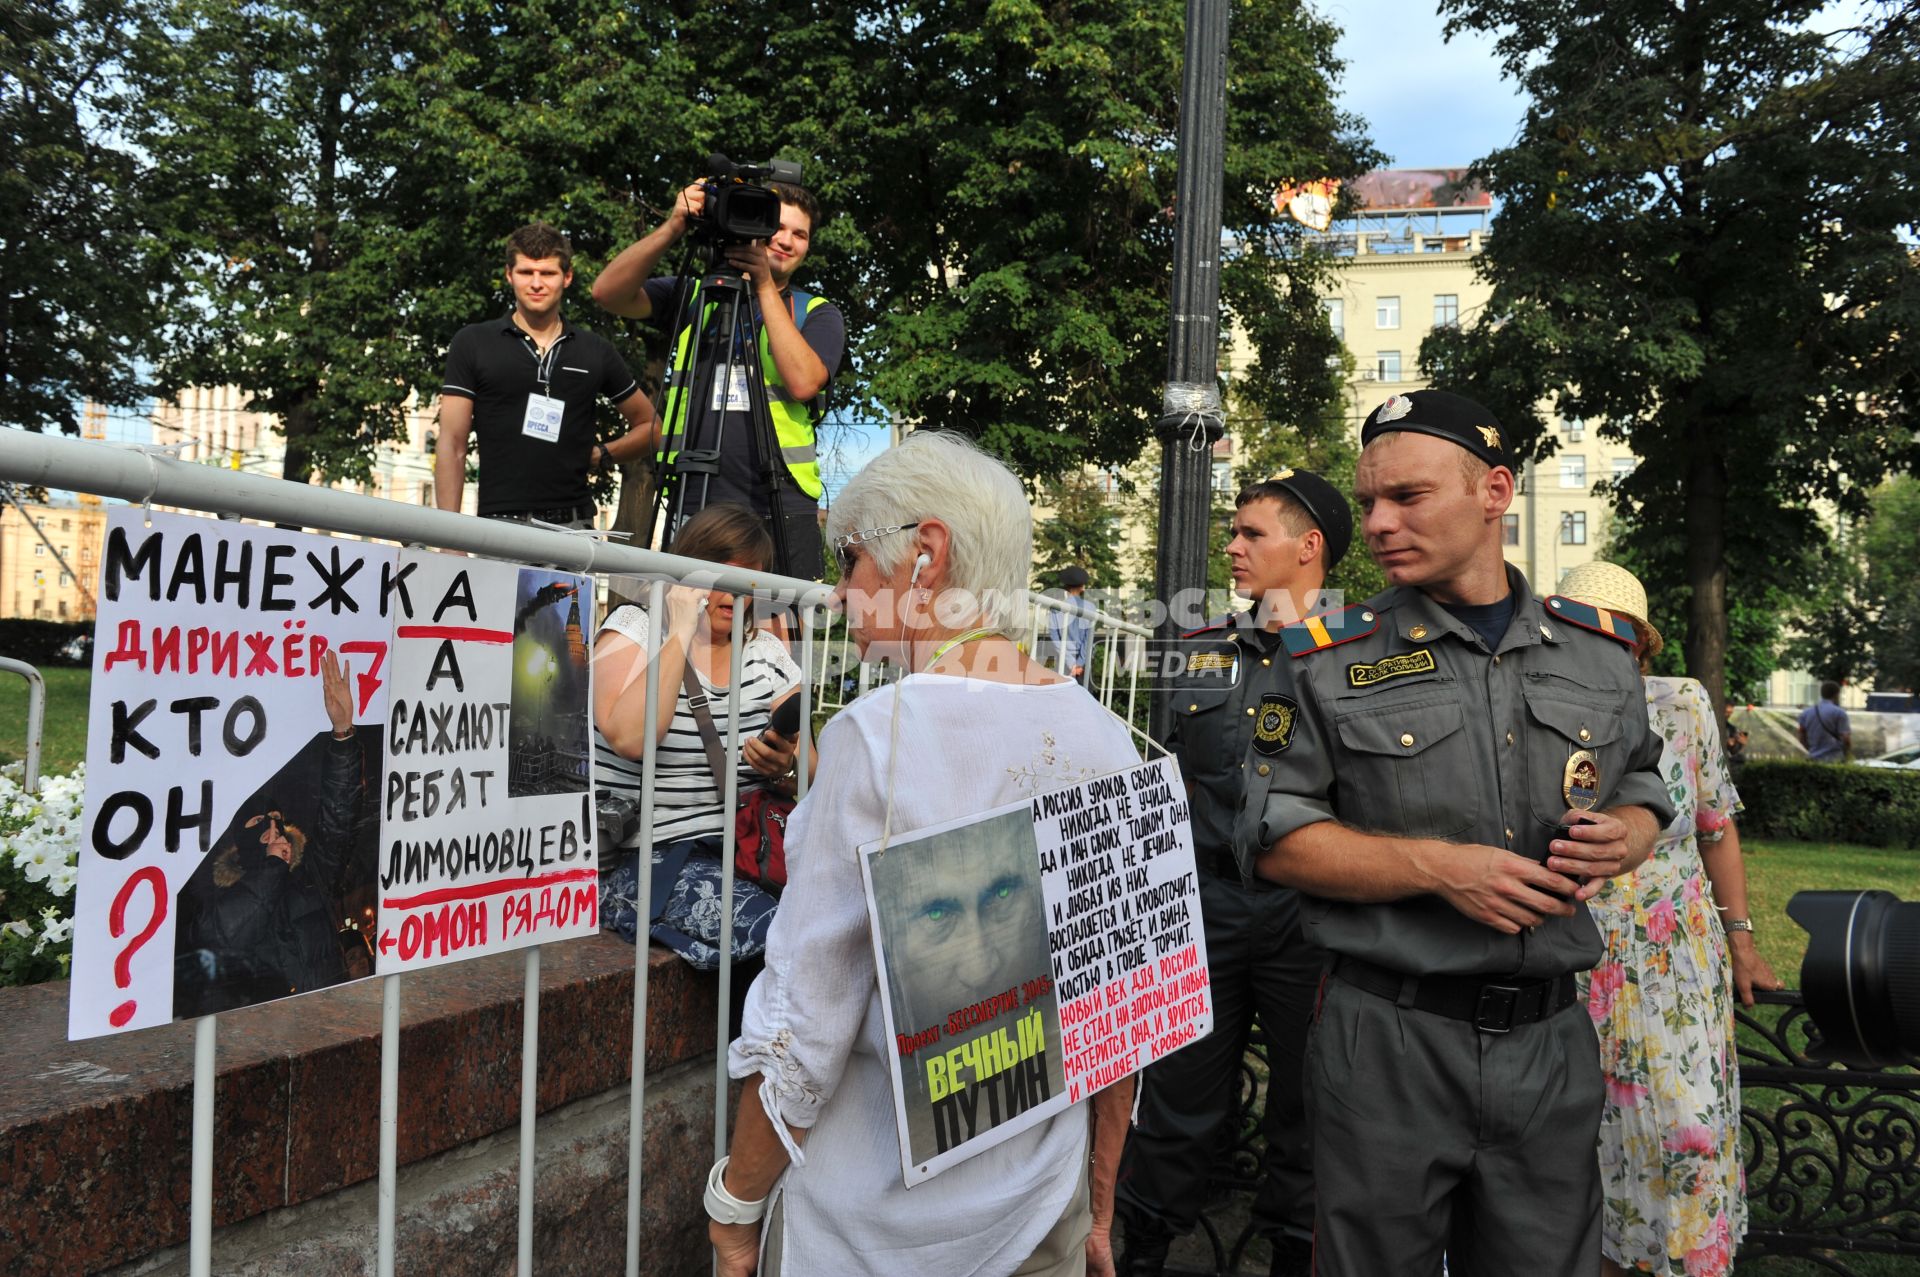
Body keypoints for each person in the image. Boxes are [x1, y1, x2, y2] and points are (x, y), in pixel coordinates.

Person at [1253, 389, 1675, 1277]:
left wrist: (1630, 832)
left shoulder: (1597, 652)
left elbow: (1642, 779)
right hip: (1390, 1040)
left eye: (1406, 497)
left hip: (1551, 1040)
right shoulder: (1325, 657)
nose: (1375, 522)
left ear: (1494, 491)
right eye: (1368, 500)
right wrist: (1437, 868)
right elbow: (1273, 835)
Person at [709, 431, 1138, 1277]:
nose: (838, 593)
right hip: (1042, 1209)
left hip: (877, 1233)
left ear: (925, 555)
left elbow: (806, 1025)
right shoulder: (1102, 728)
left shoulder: (877, 737)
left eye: (851, 558)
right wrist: (1099, 1204)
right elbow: (1121, 1005)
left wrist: (734, 1206)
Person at [1114, 469, 1353, 1277]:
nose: (1235, 545)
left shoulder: (1363, 653)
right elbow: (1170, 777)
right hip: (1206, 901)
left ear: (1308, 547)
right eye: (1235, 530)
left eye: (1254, 533)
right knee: (1177, 1087)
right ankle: (1143, 1250)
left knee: (1308, 1099)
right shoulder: (1200, 648)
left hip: (1311, 912)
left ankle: (1293, 1252)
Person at [1559, 562, 1784, 1277]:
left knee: (1686, 1128)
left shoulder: (1682, 705)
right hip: (1571, 958)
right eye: (1572, 631)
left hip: (1675, 960)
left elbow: (1716, 828)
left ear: (1638, 646)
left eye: (1610, 635)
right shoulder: (1535, 710)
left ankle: (1684, 1259)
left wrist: (1742, 940)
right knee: (1581, 1139)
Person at [592, 502, 814, 969]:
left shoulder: (766, 652)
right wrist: (680, 632)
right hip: (649, 864)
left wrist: (788, 768)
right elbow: (631, 738)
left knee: (832, 920)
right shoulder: (634, 630)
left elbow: (815, 770)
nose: (735, 597)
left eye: (749, 583)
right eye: (722, 580)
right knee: (780, 933)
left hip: (747, 855)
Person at [592, 181, 844, 578]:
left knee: (777, 629)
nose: (787, 241)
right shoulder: (699, 295)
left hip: (780, 499)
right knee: (689, 620)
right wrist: (674, 225)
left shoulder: (816, 312)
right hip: (695, 492)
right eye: (778, 227)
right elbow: (608, 292)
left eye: (801, 234)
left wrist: (762, 285)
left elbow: (802, 383)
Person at [174, 652, 369, 1017]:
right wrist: (271, 868)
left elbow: (339, 814)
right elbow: (224, 936)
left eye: (276, 820)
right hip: (262, 1035)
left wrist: (343, 733)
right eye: (258, 825)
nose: (271, 831)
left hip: (326, 1020)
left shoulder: (311, 873)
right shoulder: (212, 888)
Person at [435, 223, 657, 526]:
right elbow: (452, 442)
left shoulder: (595, 350)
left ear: (567, 277)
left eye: (548, 273)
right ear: (509, 275)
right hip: (499, 524)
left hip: (575, 526)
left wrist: (602, 454)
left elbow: (652, 427)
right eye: (526, 272)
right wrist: (448, 535)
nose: (536, 283)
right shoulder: (473, 342)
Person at [1795, 680, 1851, 762]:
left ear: (1822, 693)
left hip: (1813, 758)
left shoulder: (1806, 713)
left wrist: (1812, 751)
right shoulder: (1840, 713)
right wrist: (1846, 754)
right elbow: (1846, 739)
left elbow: (1801, 736)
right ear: (1836, 694)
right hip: (1834, 758)